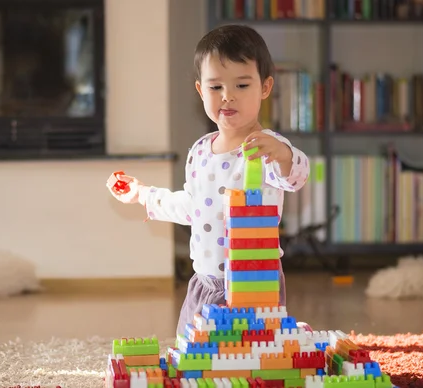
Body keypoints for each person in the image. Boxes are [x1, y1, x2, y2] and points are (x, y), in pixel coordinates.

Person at [106, 24, 311, 336]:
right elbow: (192, 207)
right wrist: (143, 194)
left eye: (242, 85)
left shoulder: (264, 147)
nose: (227, 96)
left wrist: (283, 154)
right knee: (193, 357)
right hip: (203, 283)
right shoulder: (200, 151)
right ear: (201, 90)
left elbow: (296, 177)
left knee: (252, 356)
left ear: (265, 88)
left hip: (253, 282)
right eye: (216, 88)